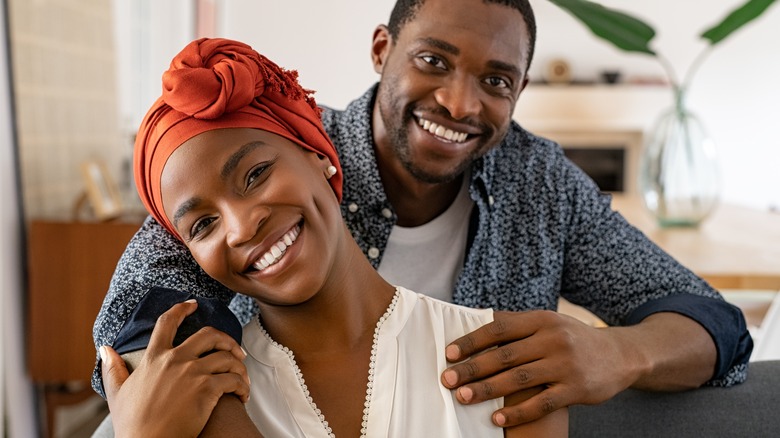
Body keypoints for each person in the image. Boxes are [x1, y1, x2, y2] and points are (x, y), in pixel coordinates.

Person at [93, 0, 752, 428]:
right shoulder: (276, 160)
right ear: (382, 51)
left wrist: (619, 351)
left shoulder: (540, 184)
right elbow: (135, 321)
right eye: (433, 60)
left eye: (496, 81)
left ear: (520, 90)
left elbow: (715, 324)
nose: (461, 104)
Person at [99, 36, 569, 437]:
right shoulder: (191, 398)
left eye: (256, 174)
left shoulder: (507, 367)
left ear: (320, 155)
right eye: (203, 225)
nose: (241, 227)